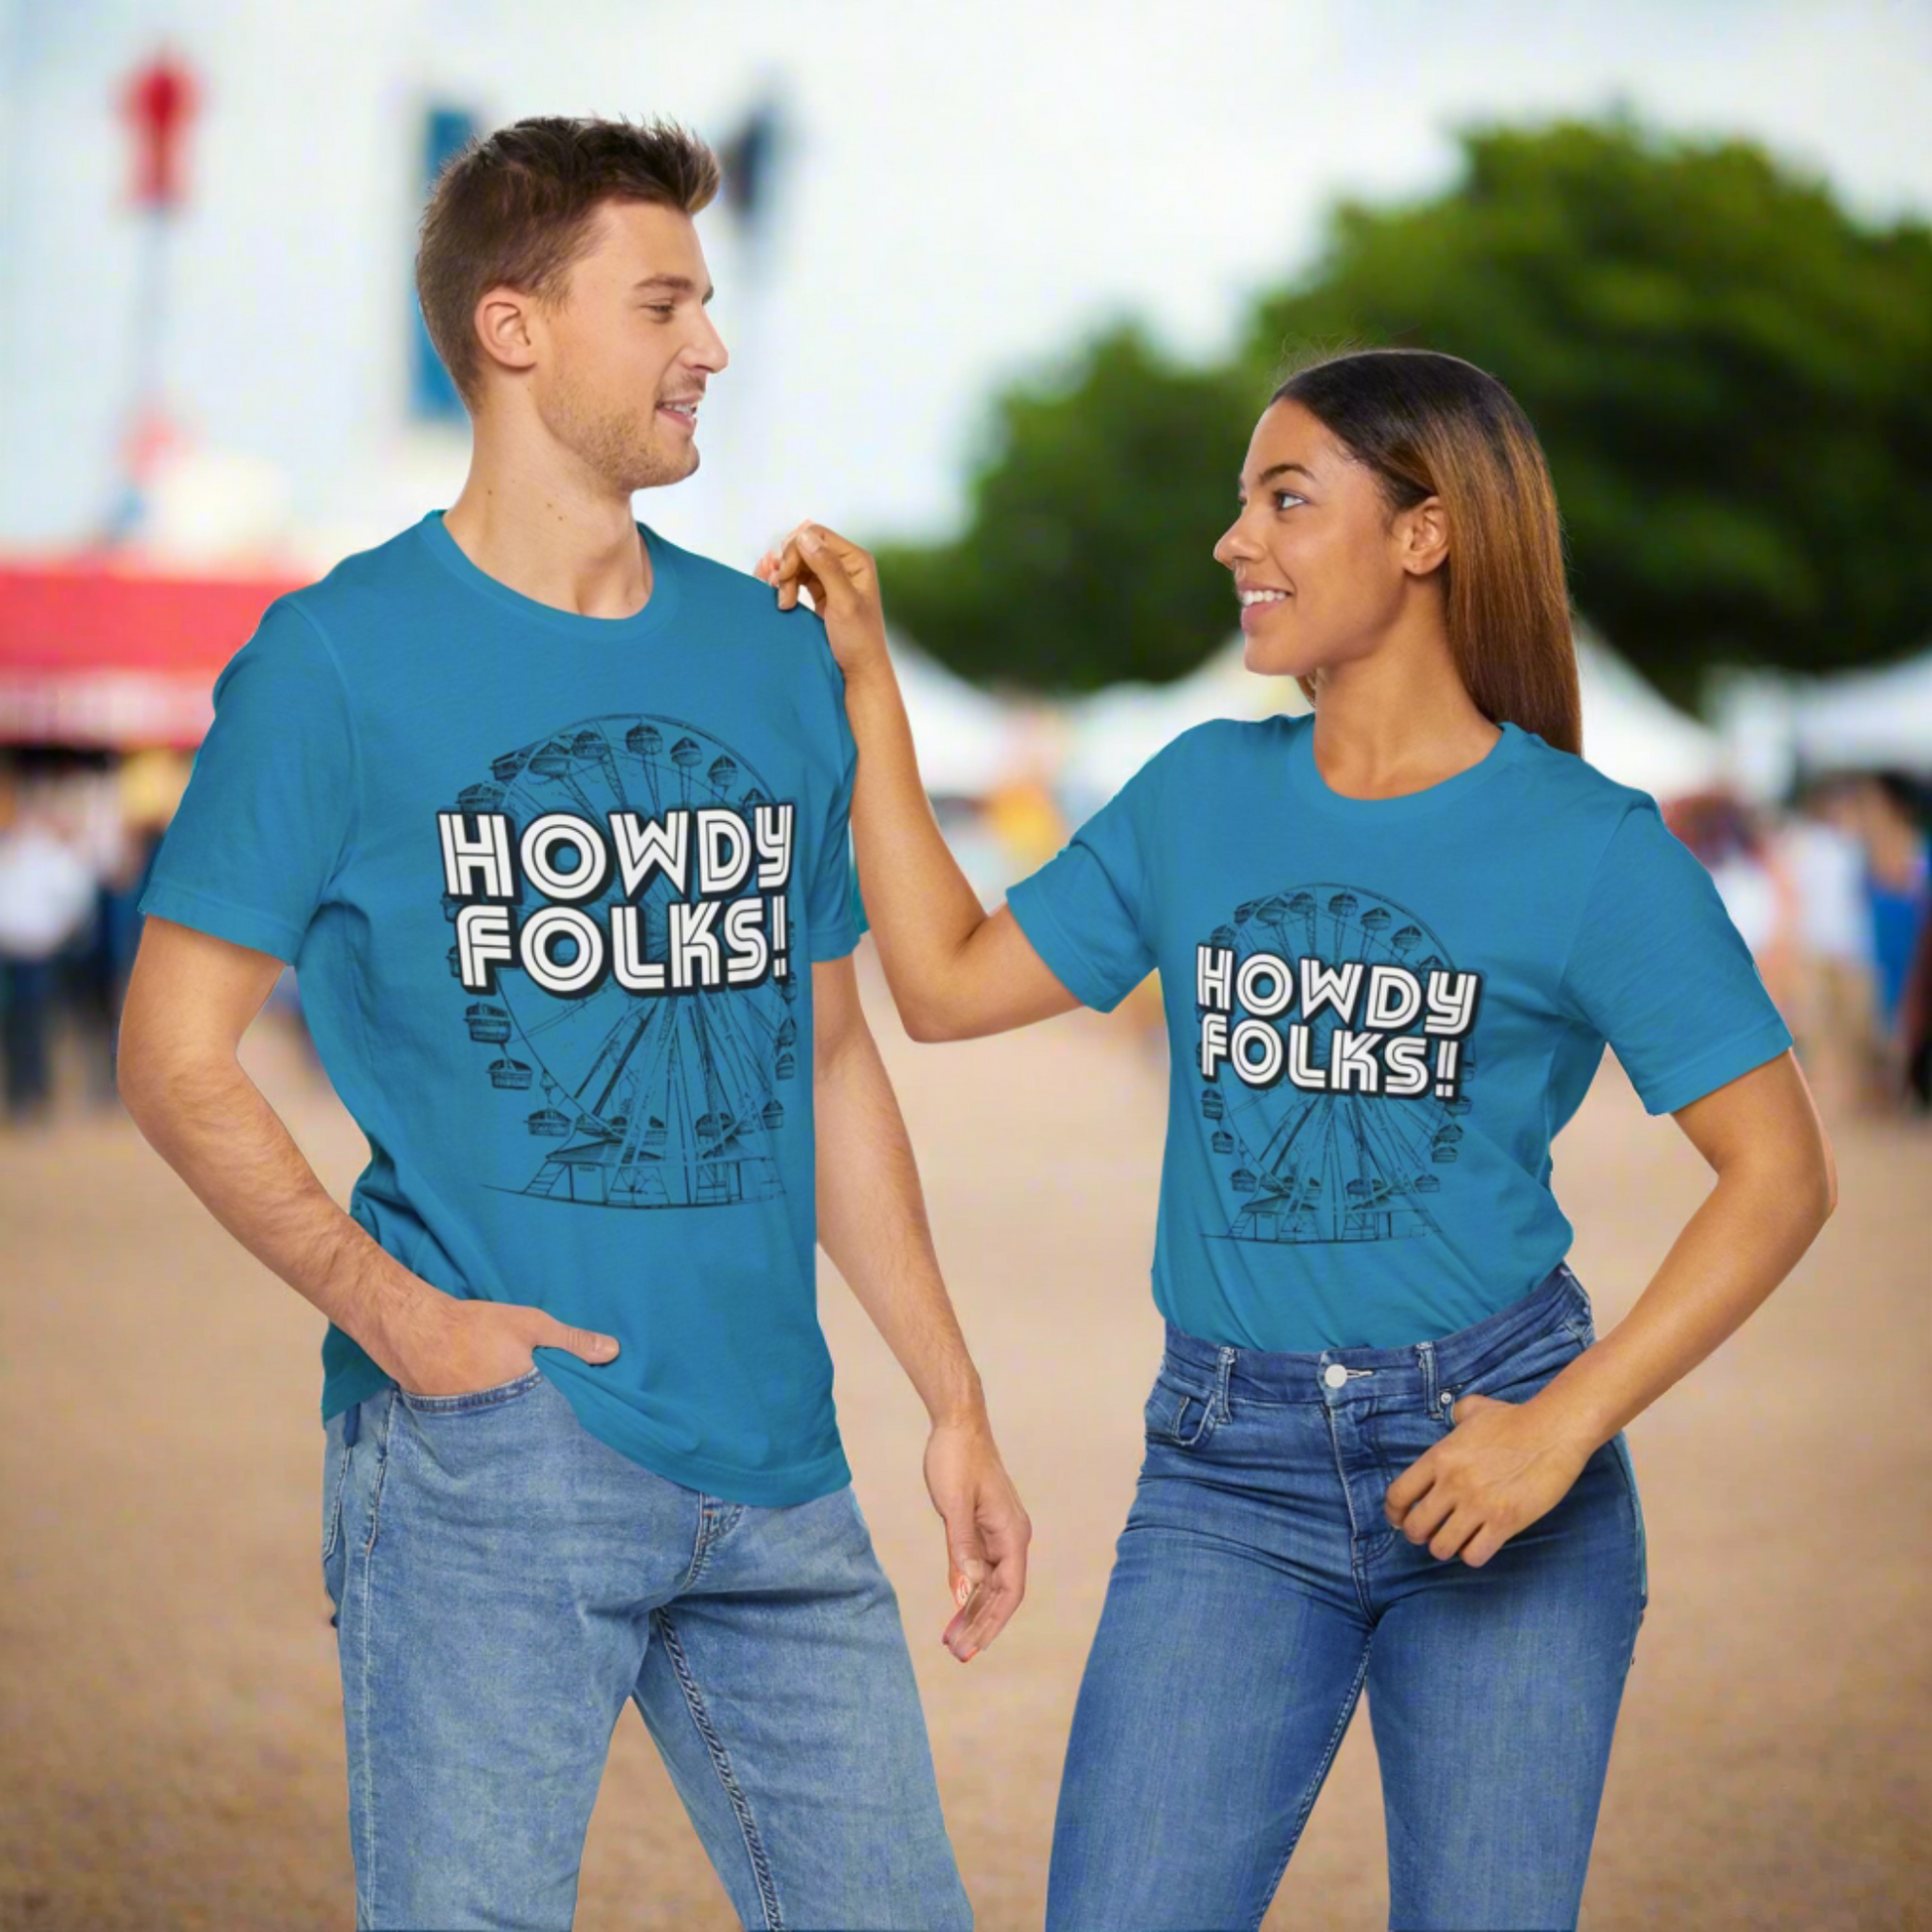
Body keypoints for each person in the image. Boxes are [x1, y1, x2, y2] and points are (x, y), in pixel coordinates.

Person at [760, 347, 1839, 1932]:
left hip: (1499, 1464)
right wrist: (868, 685)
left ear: (1424, 533)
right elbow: (943, 984)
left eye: (1283, 498)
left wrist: (1554, 1430)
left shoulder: (1590, 846)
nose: (1233, 542)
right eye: (1240, 501)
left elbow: (1781, 1172)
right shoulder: (1200, 791)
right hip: (1224, 1474)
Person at [116, 115, 1026, 1932]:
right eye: (665, 299)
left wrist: (950, 1393)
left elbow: (826, 1057)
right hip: (489, 1452)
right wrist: (403, 1319)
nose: (709, 343)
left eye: (709, 300)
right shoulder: (337, 658)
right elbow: (174, 1046)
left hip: (783, 1458)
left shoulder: (772, 657)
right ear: (515, 327)